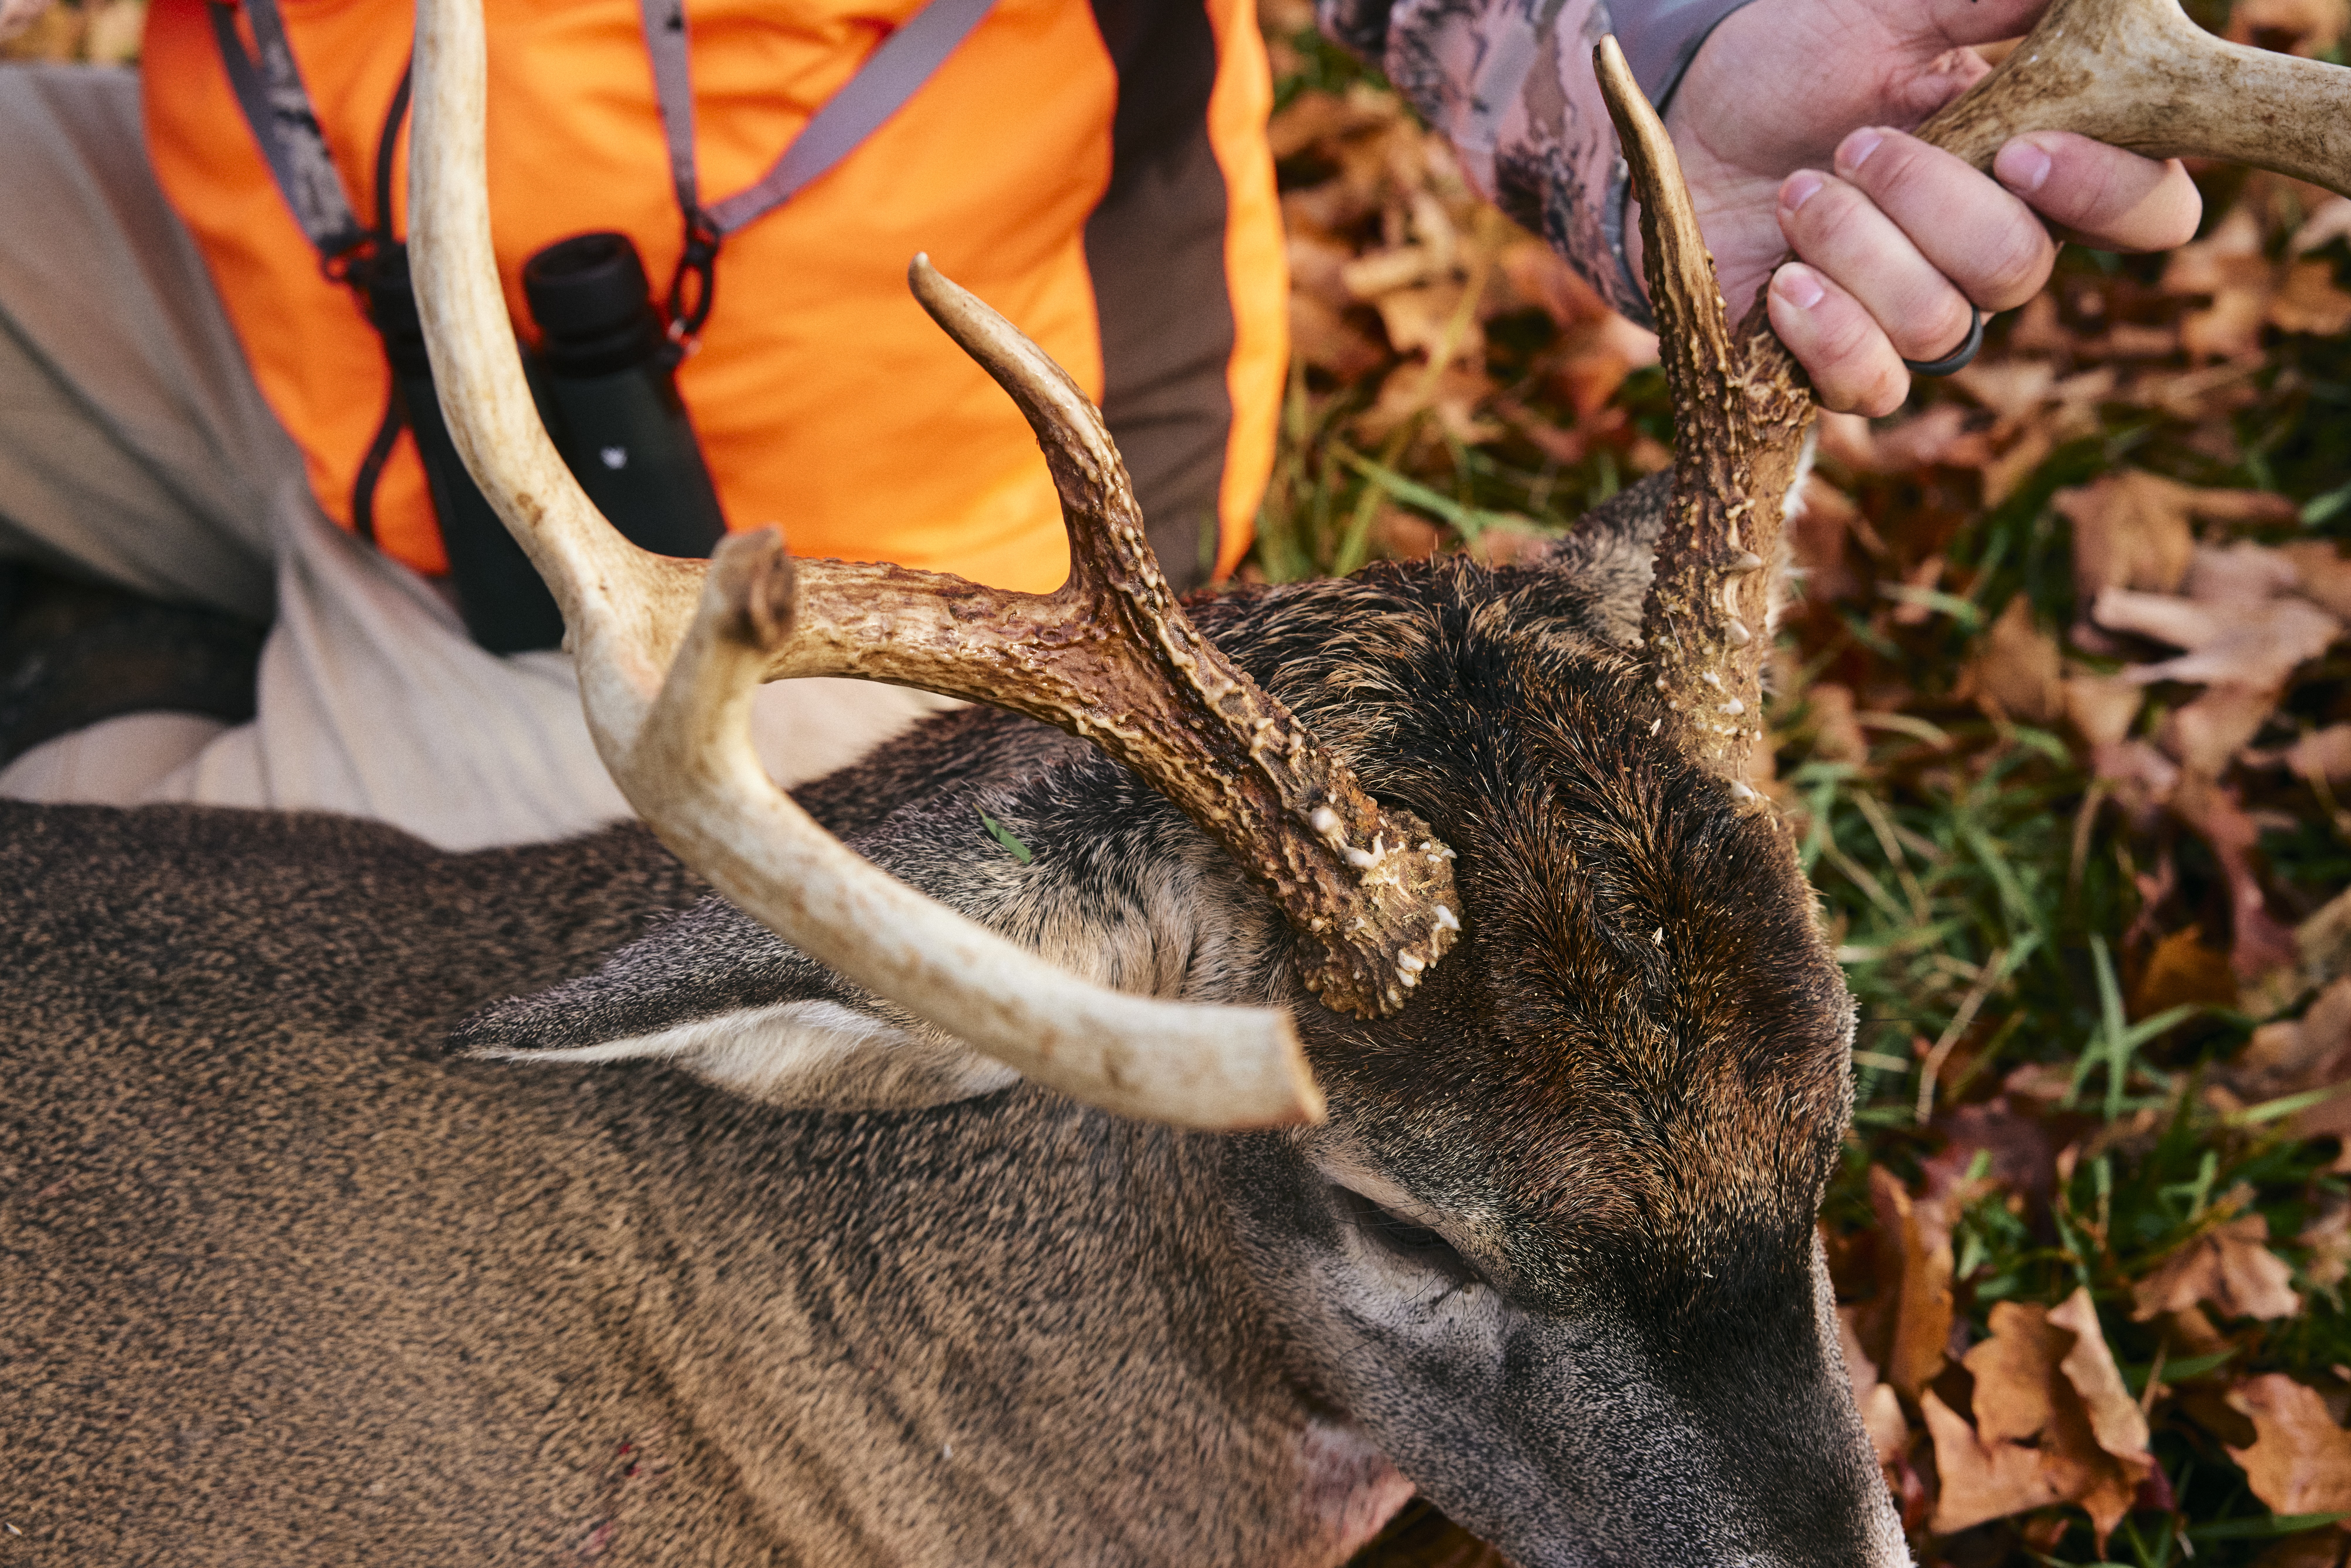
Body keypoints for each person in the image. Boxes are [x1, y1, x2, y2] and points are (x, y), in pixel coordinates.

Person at [0, 0, 2199, 848]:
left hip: (837, 601)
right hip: (293, 310)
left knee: (147, 1006)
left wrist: (1676, 56)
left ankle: (105, 678)